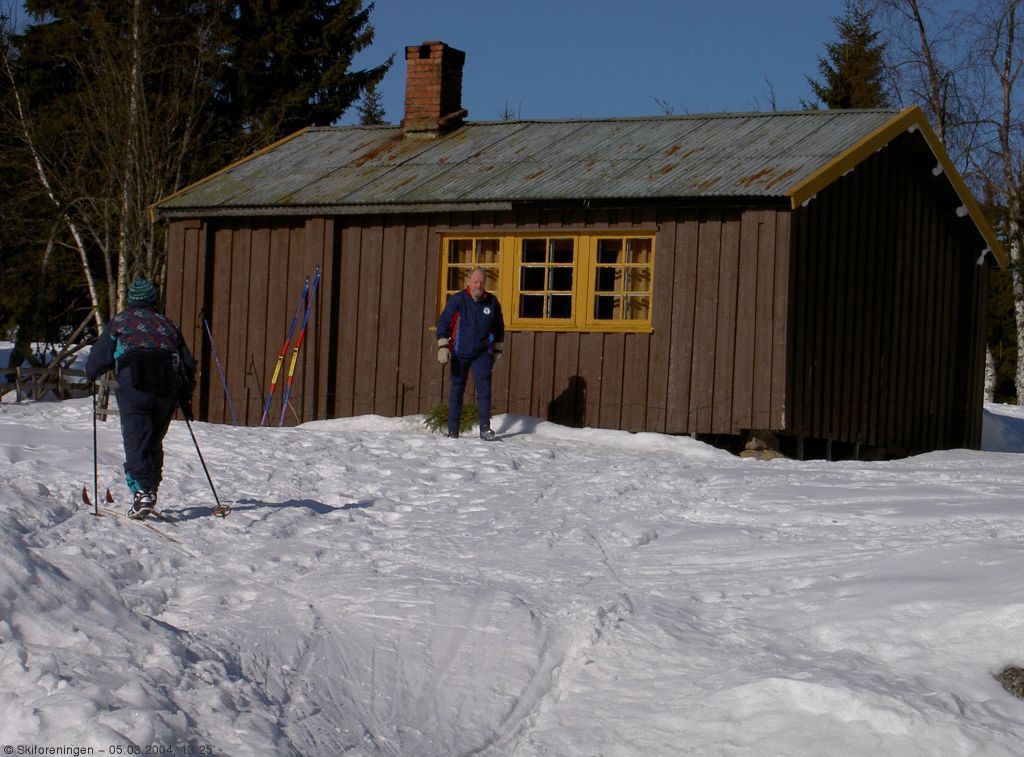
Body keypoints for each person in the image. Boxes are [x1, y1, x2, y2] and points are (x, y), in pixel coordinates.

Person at [86, 276, 196, 519]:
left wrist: (91, 372)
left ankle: (142, 491)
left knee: (136, 439)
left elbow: (99, 358)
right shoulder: (167, 324)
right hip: (166, 389)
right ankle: (151, 487)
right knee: (153, 440)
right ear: (153, 300)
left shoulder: (121, 321)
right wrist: (186, 394)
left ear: (131, 300)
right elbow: (187, 363)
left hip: (134, 387)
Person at [436, 267, 505, 440]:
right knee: (457, 390)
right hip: (460, 352)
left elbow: (499, 326)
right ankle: (453, 431)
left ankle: (485, 429)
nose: (478, 285)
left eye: (481, 282)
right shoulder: (457, 300)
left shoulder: (492, 302)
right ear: (468, 282)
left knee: (484, 389)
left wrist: (497, 349)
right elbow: (444, 322)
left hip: (482, 353)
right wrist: (443, 345)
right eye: (475, 282)